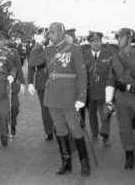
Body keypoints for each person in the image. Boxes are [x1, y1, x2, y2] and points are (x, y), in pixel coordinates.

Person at [29, 22, 90, 177]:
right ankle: (66, 161)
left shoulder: (74, 49)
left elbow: (82, 74)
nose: (49, 35)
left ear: (61, 34)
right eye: (48, 33)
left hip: (69, 96)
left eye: (52, 33)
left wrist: (81, 97)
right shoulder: (48, 49)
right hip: (53, 95)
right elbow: (33, 62)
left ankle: (84, 162)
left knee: (75, 128)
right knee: (59, 128)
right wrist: (38, 43)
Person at [105, 28, 135, 170]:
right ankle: (129, 156)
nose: (118, 40)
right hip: (121, 98)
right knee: (125, 127)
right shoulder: (115, 57)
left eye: (121, 37)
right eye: (118, 37)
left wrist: (130, 87)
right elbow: (111, 79)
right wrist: (109, 99)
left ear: (129, 39)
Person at [83, 32, 113, 146]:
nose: (96, 43)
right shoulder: (84, 55)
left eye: (98, 41)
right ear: (90, 43)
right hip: (90, 91)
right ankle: (94, 133)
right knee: (91, 114)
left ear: (102, 41)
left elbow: (112, 73)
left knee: (105, 114)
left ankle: (105, 136)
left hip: (104, 90)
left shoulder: (109, 55)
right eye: (93, 41)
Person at [28, 30, 54, 141]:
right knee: (45, 108)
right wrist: (30, 82)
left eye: (51, 35)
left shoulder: (58, 48)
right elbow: (31, 65)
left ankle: (59, 129)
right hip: (42, 80)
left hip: (56, 80)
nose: (49, 38)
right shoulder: (37, 49)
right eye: (47, 36)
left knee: (56, 106)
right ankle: (49, 131)